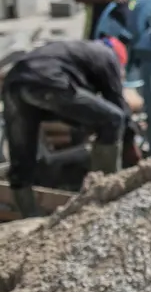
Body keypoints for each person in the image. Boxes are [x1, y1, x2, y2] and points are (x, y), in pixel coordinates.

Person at [2, 37, 138, 218]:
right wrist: (130, 144)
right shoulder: (107, 56)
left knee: (21, 156)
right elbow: (118, 105)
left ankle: (29, 215)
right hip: (47, 81)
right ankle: (105, 192)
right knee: (113, 120)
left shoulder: (71, 51)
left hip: (14, 83)